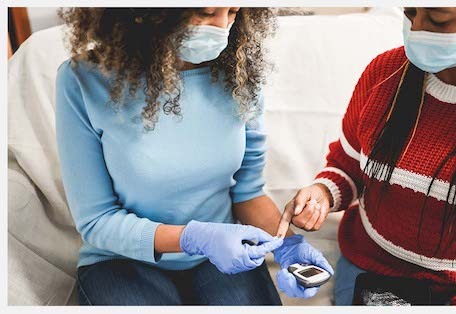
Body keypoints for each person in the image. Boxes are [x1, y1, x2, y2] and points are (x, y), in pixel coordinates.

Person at [55, 7, 332, 305]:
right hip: (121, 260)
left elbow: (247, 193)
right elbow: (97, 221)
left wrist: (288, 247)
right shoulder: (83, 81)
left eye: (233, 11)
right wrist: (192, 238)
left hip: (221, 257)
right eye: (206, 12)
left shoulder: (241, 74)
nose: (221, 27)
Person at [284, 7, 456, 305]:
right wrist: (322, 194)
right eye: (410, 13)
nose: (416, 31)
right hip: (372, 267)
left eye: (438, 19)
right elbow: (347, 166)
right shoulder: (384, 74)